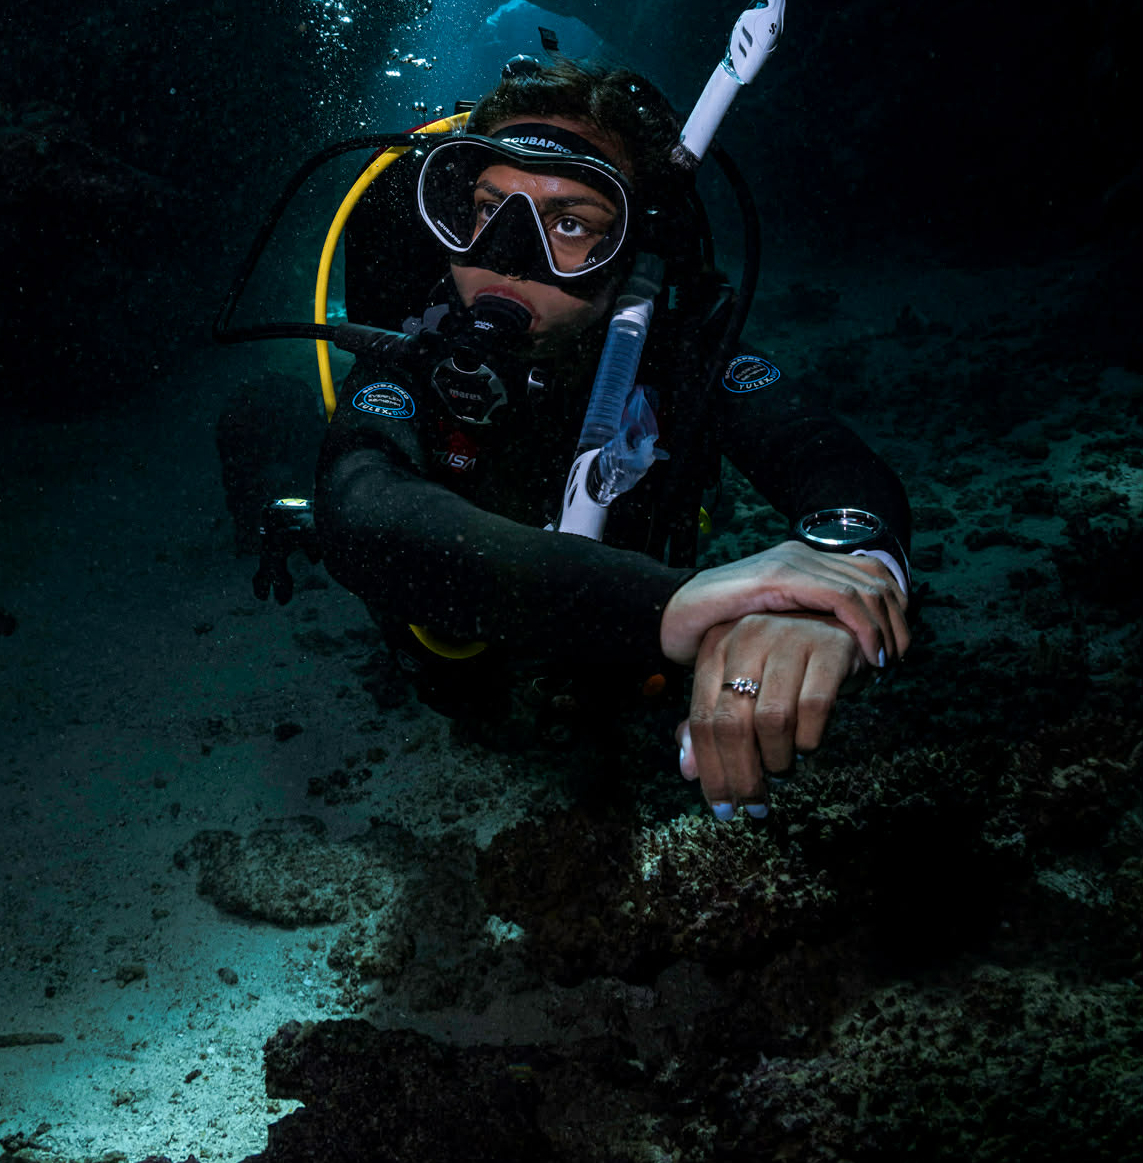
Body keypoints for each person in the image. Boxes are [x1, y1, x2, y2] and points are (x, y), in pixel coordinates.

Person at [312, 58, 912, 822]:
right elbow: (359, 507)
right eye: (488, 206)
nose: (503, 253)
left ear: (630, 246)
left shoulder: (677, 349)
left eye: (568, 223)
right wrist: (680, 602)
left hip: (619, 658)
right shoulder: (418, 340)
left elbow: (820, 453)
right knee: (458, 688)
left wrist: (843, 575)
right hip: (463, 649)